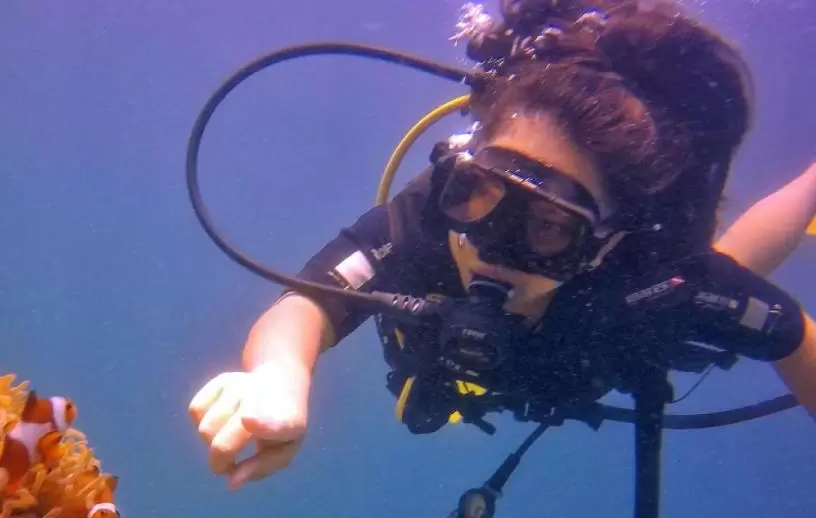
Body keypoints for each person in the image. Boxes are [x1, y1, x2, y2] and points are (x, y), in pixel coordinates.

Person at [189, 0, 816, 492]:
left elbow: (792, 333)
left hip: (615, 329)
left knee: (728, 266)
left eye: (549, 226)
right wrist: (278, 377)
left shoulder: (641, 277)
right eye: (479, 194)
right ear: (461, 169)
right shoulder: (430, 218)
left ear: (600, 241)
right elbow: (308, 305)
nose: (493, 243)